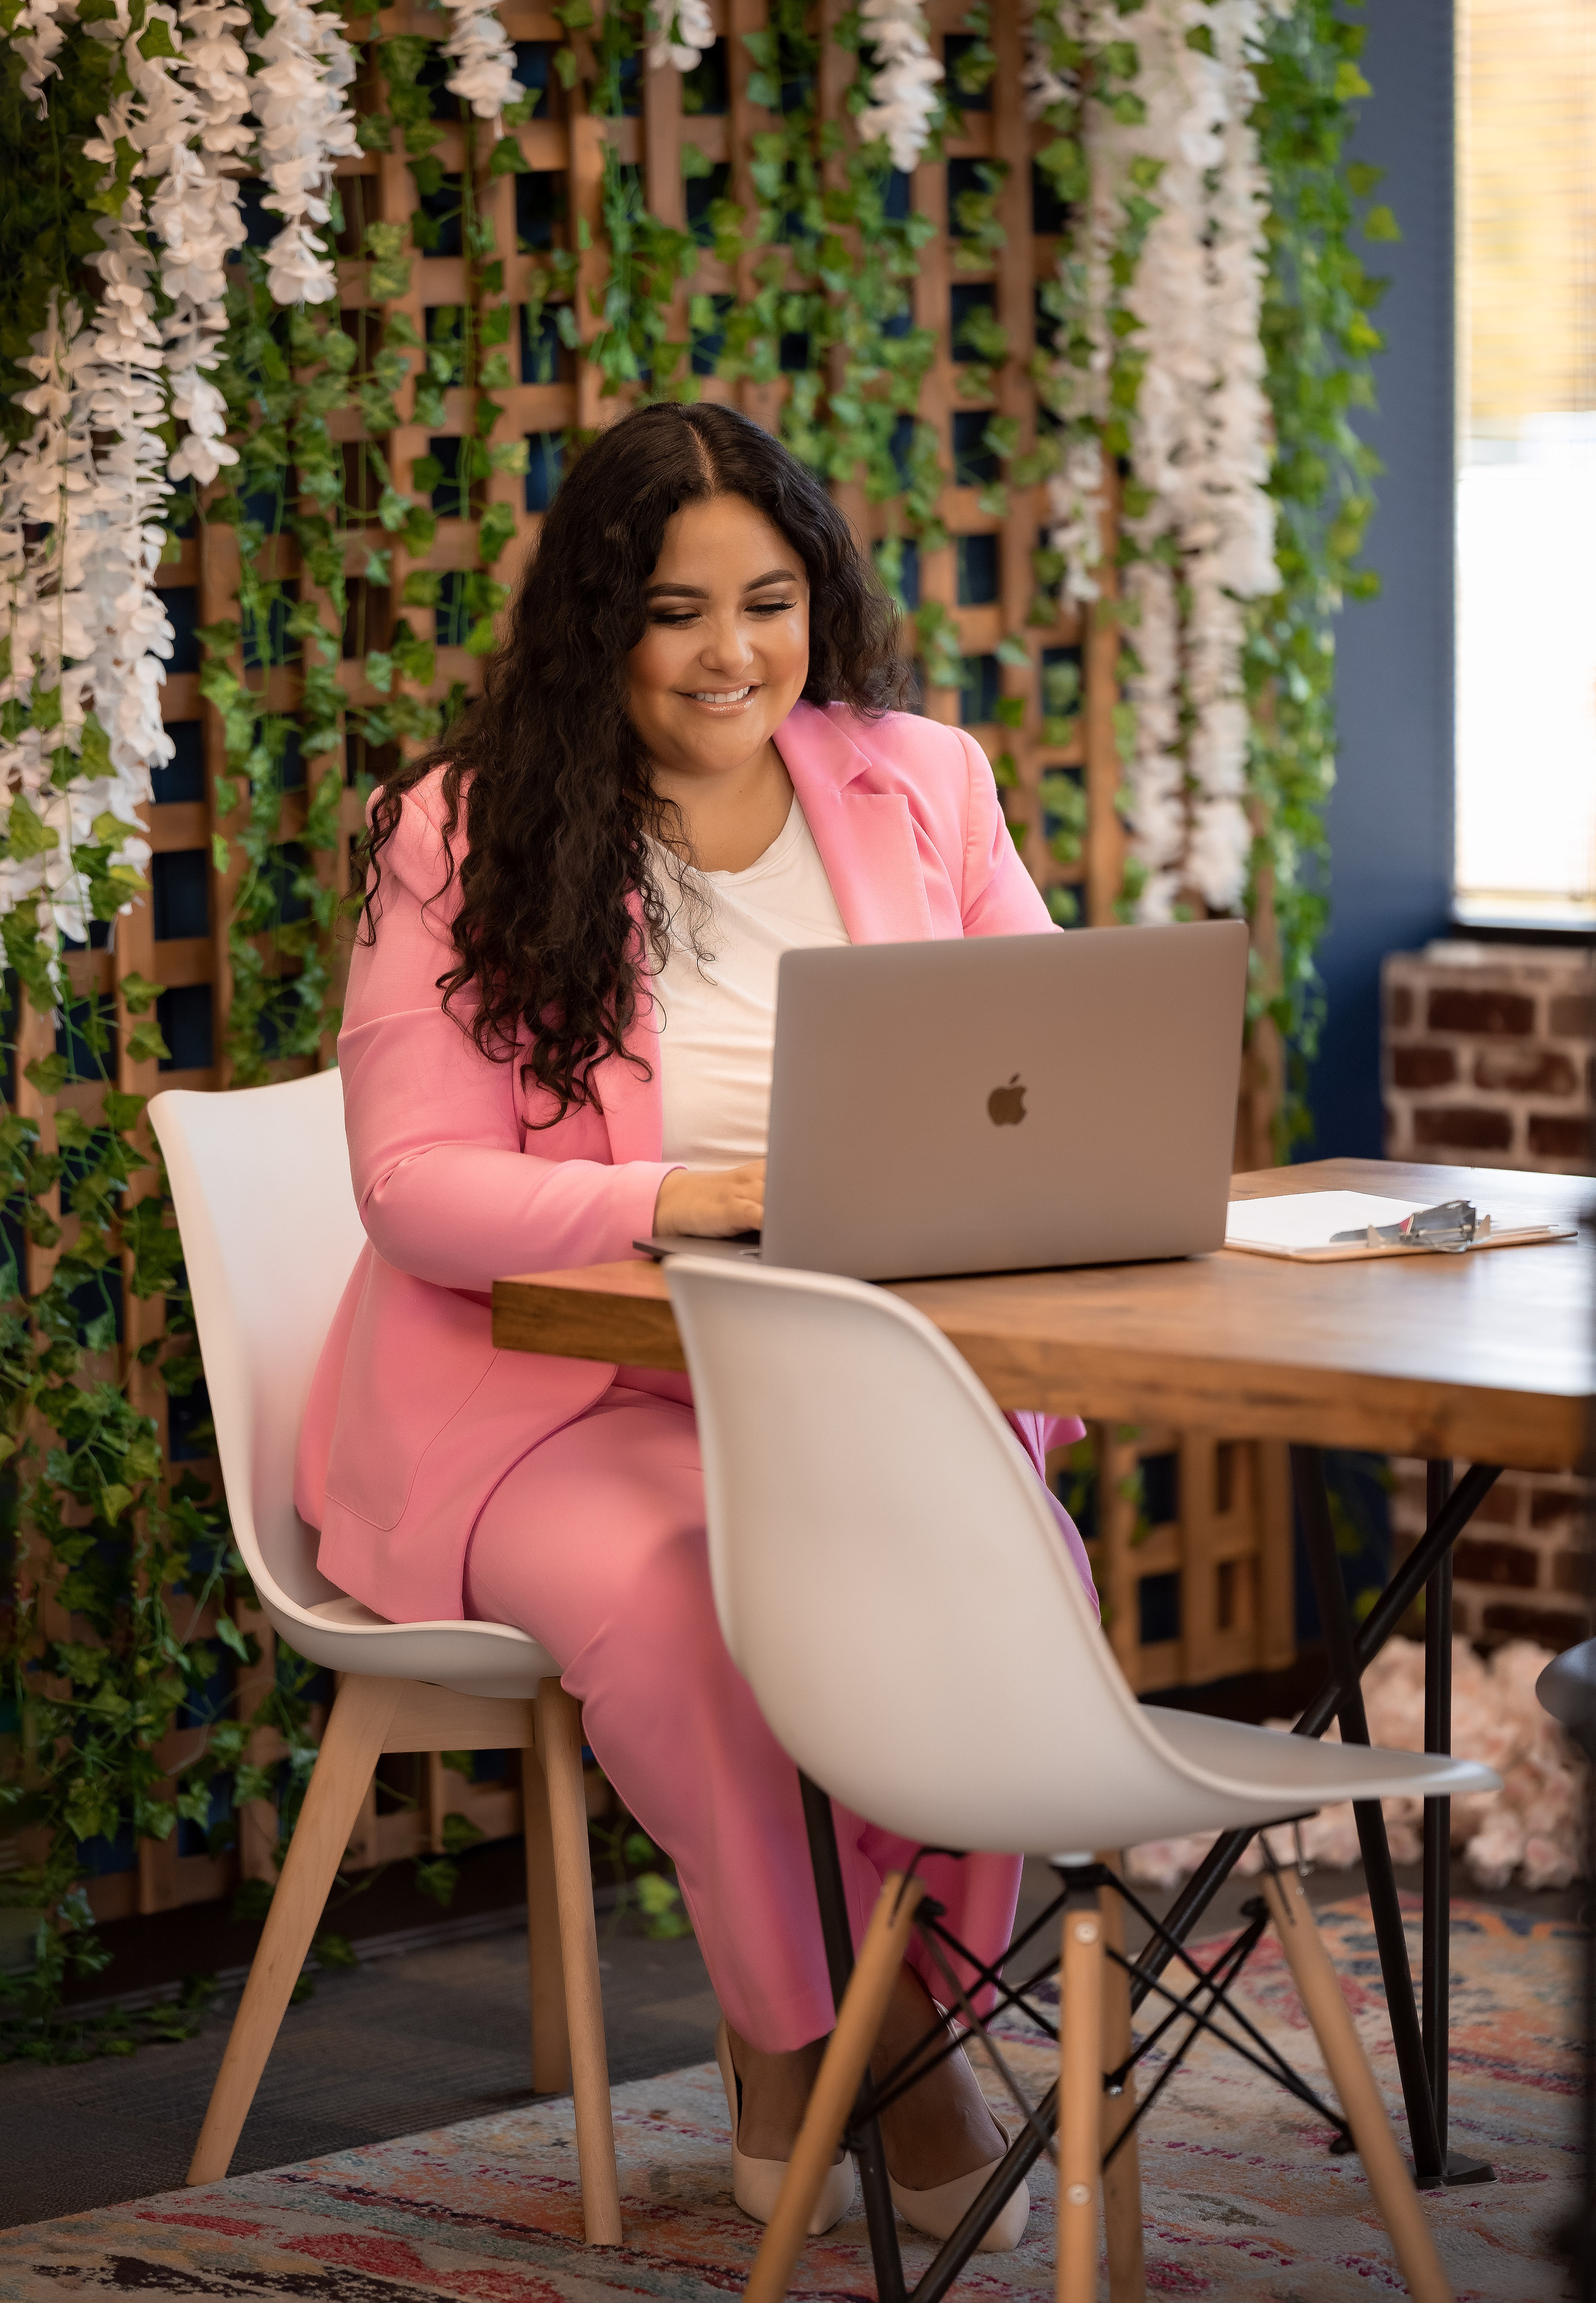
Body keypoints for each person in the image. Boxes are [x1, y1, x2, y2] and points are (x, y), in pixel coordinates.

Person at [294, 400, 1095, 2247]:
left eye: (769, 598)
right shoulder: (462, 828)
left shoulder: (923, 780)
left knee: (996, 1569)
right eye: (674, 610)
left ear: (818, 598)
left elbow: (1048, 1067)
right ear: (598, 620)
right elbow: (411, 1185)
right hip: (557, 1398)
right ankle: (866, 2049)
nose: (732, 652)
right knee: (690, 1604)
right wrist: (681, 1201)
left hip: (864, 1376)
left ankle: (812, 2019)